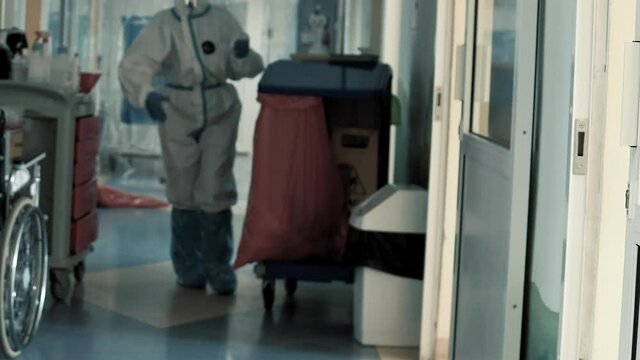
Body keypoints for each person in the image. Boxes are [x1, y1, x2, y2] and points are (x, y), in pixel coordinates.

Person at [119, 0, 264, 295]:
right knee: (182, 186)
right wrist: (147, 95)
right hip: (177, 109)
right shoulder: (165, 23)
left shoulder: (222, 19)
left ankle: (218, 266)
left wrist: (242, 55)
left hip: (219, 108)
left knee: (215, 184)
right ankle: (188, 267)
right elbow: (135, 63)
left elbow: (245, 67)